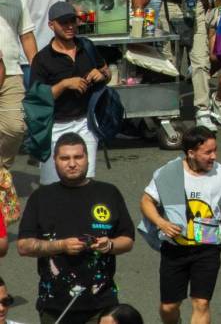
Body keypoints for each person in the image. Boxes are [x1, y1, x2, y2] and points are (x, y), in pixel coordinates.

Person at [17, 133, 135, 324]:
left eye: (78, 157)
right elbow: (23, 246)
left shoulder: (108, 192)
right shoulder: (41, 197)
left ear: (87, 158)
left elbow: (128, 240)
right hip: (55, 305)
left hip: (102, 304)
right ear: (54, 160)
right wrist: (61, 246)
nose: (72, 164)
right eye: (65, 158)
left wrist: (109, 245)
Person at [139, 125, 221, 324]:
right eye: (207, 152)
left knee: (201, 303)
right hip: (175, 249)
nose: (214, 156)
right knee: (169, 307)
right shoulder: (168, 173)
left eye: (215, 150)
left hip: (208, 247)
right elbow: (146, 201)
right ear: (191, 153)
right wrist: (161, 222)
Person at [28, 1, 108, 184]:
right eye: (64, 22)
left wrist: (101, 73)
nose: (70, 26)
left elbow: (106, 71)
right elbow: (37, 99)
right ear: (51, 25)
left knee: (85, 181)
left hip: (86, 123)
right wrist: (64, 84)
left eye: (73, 21)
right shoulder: (43, 59)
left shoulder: (86, 46)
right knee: (52, 186)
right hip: (55, 127)